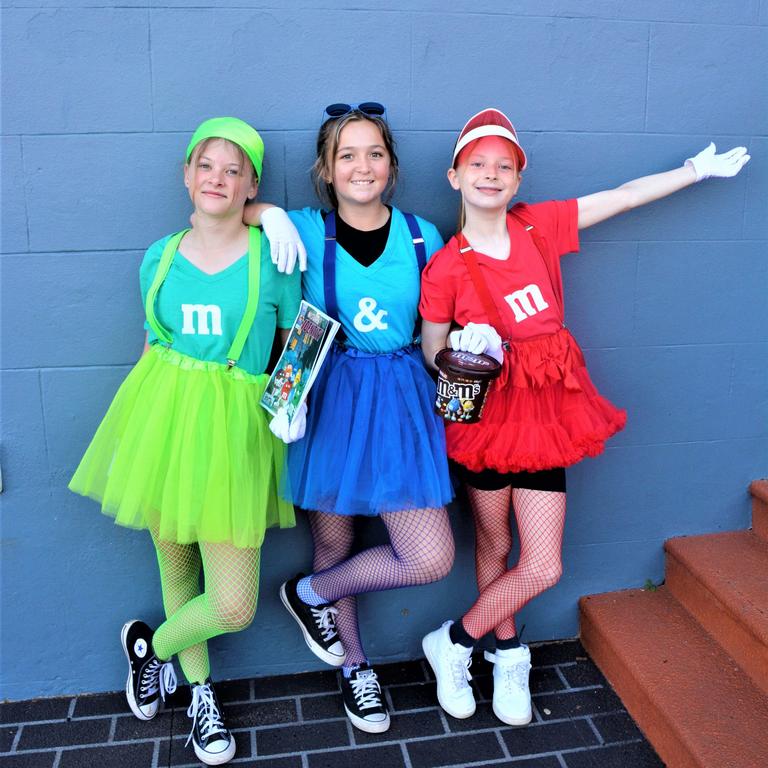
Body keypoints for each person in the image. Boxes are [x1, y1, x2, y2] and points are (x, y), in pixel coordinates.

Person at [418, 108, 750, 727]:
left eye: (504, 166)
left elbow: (622, 199)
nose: (491, 174)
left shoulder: (540, 227)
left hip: (547, 413)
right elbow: (431, 346)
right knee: (494, 543)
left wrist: (694, 171)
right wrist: (462, 353)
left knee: (543, 562)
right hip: (486, 415)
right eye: (477, 164)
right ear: (455, 175)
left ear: (518, 180)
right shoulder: (444, 266)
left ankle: (455, 642)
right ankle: (507, 653)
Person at [69, 117, 304, 765]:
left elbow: (299, 341)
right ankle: (201, 697)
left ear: (252, 183)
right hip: (162, 425)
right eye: (207, 165)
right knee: (177, 566)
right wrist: (135, 437)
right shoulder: (160, 256)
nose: (218, 179)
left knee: (232, 604)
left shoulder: (272, 256)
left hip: (234, 438)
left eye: (234, 170)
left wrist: (288, 404)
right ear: (186, 174)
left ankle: (154, 650)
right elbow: (151, 346)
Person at [245, 102, 455, 734]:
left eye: (374, 153)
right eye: (347, 155)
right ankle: (354, 667)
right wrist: (270, 213)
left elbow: (437, 331)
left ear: (391, 165)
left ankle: (308, 595)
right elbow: (235, 212)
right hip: (328, 394)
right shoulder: (306, 229)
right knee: (335, 542)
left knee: (429, 556)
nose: (362, 166)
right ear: (326, 170)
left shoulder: (423, 236)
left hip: (399, 404)